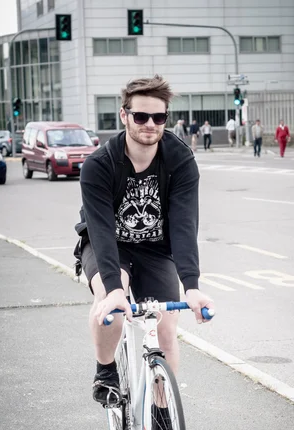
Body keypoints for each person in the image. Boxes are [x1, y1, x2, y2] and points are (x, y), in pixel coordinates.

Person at [74, 74, 214, 407]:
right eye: (141, 116)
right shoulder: (99, 165)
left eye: (159, 117)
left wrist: (191, 286)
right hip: (107, 244)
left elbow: (183, 225)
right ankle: (106, 370)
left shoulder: (179, 160)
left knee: (166, 329)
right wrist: (115, 290)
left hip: (156, 249)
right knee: (111, 300)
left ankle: (163, 415)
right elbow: (102, 231)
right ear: (124, 116)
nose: (150, 124)